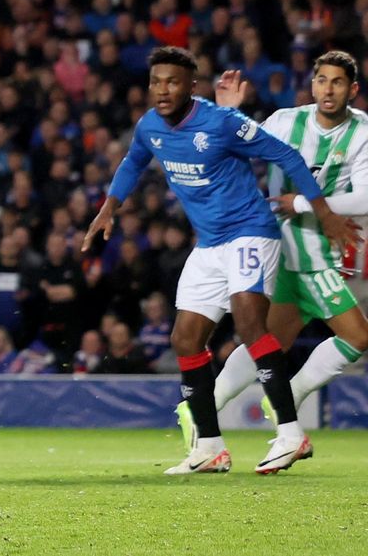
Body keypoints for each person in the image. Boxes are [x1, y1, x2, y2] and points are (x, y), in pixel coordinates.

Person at [84, 46, 359, 475]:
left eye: (173, 82)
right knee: (185, 340)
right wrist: (109, 207)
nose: (162, 90)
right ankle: (209, 447)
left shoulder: (221, 122)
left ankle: (291, 433)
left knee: (251, 325)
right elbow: (133, 160)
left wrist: (322, 212)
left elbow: (285, 156)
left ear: (191, 87)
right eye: (156, 81)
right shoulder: (150, 126)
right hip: (209, 243)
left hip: (251, 231)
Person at [185, 53, 368, 447]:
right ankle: (288, 399)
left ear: (352, 89)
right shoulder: (286, 121)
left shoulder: (363, 132)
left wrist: (302, 203)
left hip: (314, 242)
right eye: (321, 80)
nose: (328, 89)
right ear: (312, 84)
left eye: (337, 82)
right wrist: (225, 111)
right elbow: (230, 144)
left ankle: (204, 406)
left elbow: (366, 197)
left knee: (268, 339)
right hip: (290, 246)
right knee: (356, 336)